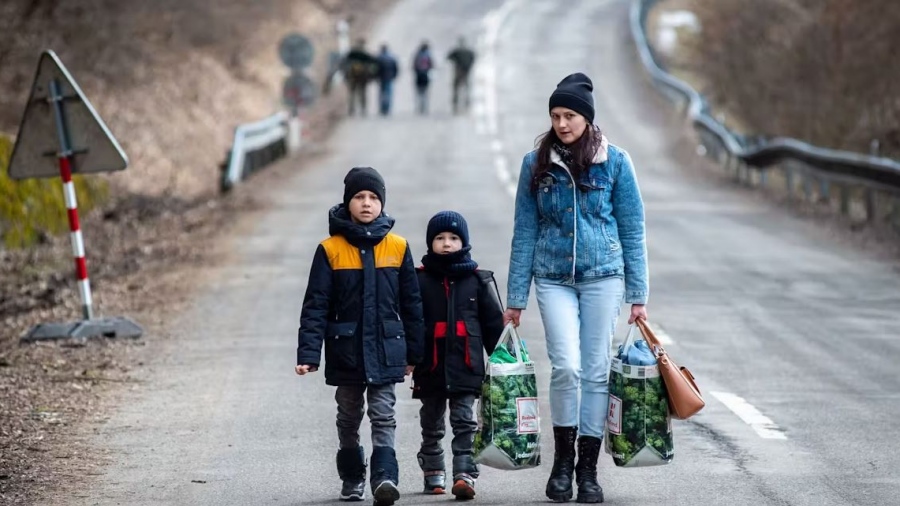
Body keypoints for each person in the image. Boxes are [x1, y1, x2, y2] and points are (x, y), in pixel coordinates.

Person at [502, 73, 649, 504]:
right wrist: (515, 299)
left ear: (586, 118)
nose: (562, 123)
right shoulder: (536, 163)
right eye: (555, 115)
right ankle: (562, 463)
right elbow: (524, 231)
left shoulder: (616, 162)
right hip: (552, 278)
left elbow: (632, 229)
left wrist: (638, 295)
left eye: (569, 115)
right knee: (566, 366)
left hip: (604, 276)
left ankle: (588, 470)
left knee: (597, 370)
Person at [296, 167, 425, 505]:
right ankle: (352, 476)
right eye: (359, 197)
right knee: (349, 414)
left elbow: (412, 305)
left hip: (386, 348)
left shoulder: (398, 247)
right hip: (346, 350)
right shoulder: (330, 250)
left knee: (384, 413)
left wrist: (415, 354)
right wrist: (309, 355)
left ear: (382, 203)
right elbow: (316, 305)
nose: (366, 204)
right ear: (347, 202)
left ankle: (385, 478)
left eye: (373, 198)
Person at [412, 211, 504, 501]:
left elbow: (493, 326)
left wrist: (503, 360)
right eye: (440, 238)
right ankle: (433, 470)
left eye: (453, 238)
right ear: (430, 243)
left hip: (467, 365)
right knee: (431, 420)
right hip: (431, 365)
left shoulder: (478, 280)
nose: (447, 243)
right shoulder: (419, 280)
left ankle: (465, 474)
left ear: (464, 242)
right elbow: (410, 323)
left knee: (465, 421)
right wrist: (408, 358)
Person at [342, 39, 379, 116]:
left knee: (352, 94)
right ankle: (363, 109)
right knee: (363, 93)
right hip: (363, 78)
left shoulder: (351, 53)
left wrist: (345, 76)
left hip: (352, 78)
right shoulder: (366, 54)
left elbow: (344, 63)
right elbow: (374, 65)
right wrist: (372, 76)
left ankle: (351, 109)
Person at [446, 37, 476, 114]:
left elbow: (448, 57)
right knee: (466, 88)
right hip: (466, 72)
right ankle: (467, 103)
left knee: (456, 89)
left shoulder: (456, 52)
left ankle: (455, 105)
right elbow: (474, 57)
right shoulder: (469, 52)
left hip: (458, 72)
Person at [411, 41, 434, 115]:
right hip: (426, 76)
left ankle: (419, 107)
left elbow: (413, 66)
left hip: (418, 76)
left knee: (418, 93)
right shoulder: (428, 55)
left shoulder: (417, 55)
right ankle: (424, 108)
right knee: (425, 93)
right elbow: (432, 65)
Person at [376, 44, 400, 116]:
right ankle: (387, 108)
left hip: (381, 78)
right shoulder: (391, 58)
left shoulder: (379, 58)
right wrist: (394, 76)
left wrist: (376, 77)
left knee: (381, 94)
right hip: (389, 78)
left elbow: (375, 69)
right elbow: (396, 68)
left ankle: (382, 108)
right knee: (389, 94)